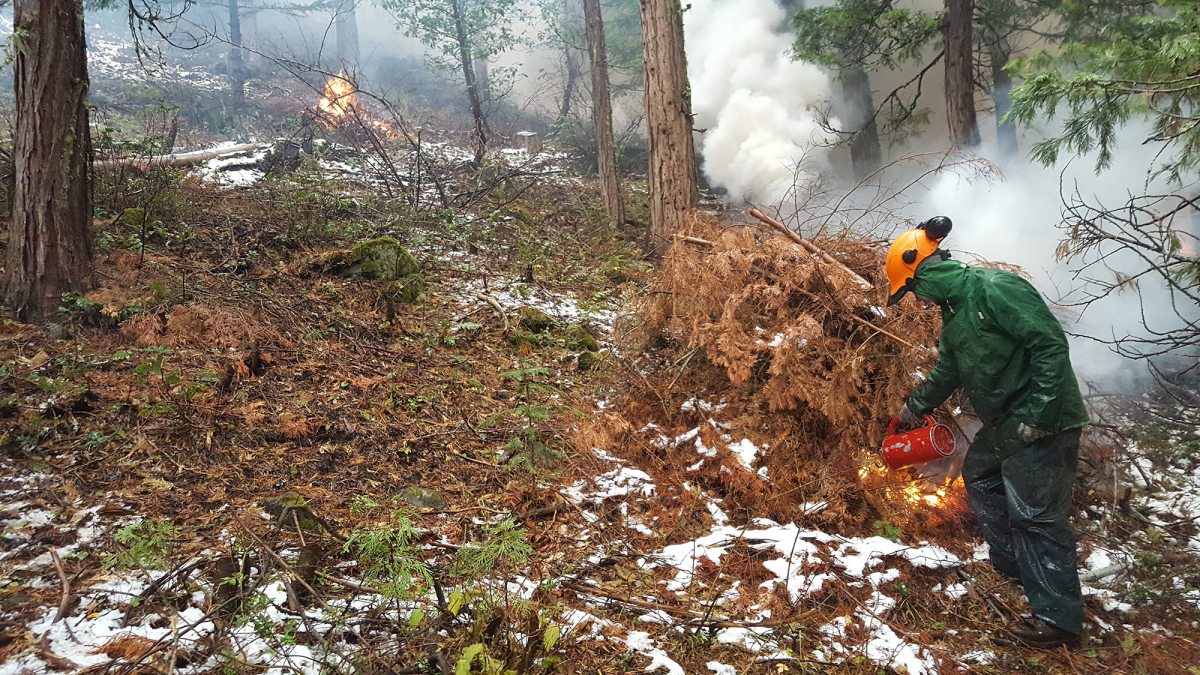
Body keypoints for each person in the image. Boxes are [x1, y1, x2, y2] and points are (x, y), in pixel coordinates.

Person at [886, 217, 1090, 649]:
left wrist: (1038, 412)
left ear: (926, 271)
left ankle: (1059, 621)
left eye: (914, 289)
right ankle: (1019, 564)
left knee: (1037, 516)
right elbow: (950, 368)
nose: (918, 300)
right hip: (1006, 424)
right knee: (979, 473)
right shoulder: (955, 313)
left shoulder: (995, 289)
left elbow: (1050, 344)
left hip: (1045, 419)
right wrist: (914, 407)